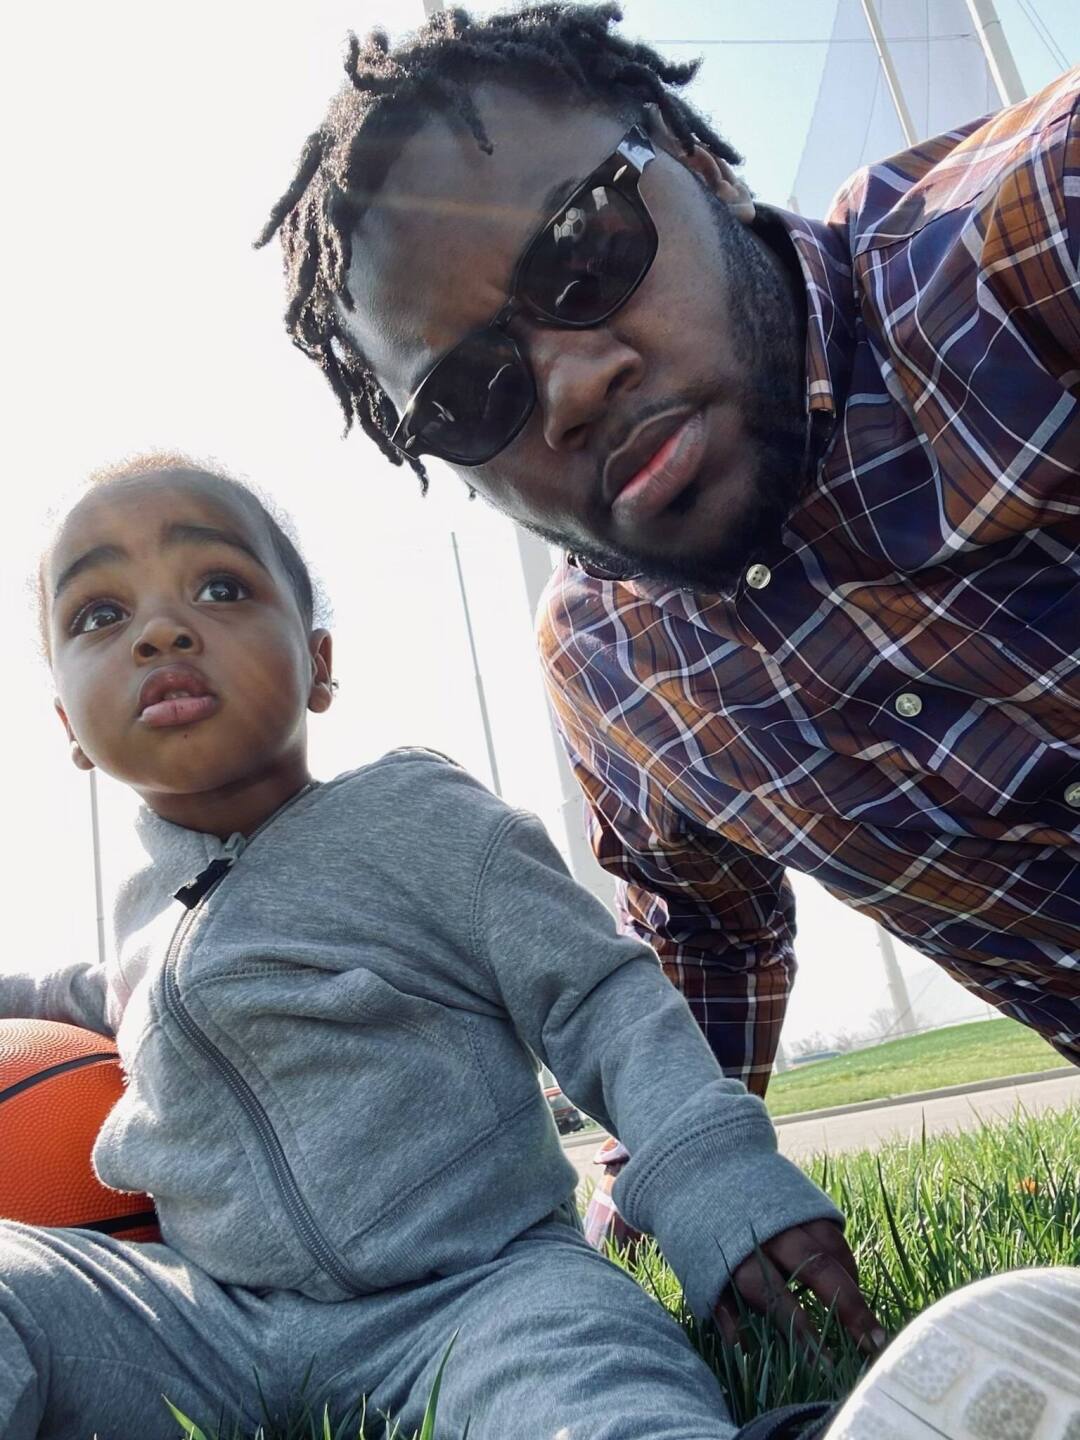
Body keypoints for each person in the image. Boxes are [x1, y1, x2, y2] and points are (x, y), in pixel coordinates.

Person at [257, 3, 1080, 1096]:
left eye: (585, 252)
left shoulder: (1036, 235)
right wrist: (678, 1171)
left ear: (702, 166)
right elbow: (706, 944)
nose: (571, 386)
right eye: (470, 395)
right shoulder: (616, 671)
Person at [5, 452, 880, 1440]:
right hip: (215, 1325)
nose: (161, 630)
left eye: (219, 588)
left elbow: (602, 1000)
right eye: (99, 614)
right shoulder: (146, 913)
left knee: (577, 1391)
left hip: (478, 1290)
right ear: (67, 723)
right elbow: (96, 997)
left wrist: (709, 1175)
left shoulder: (422, 820)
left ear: (319, 663)